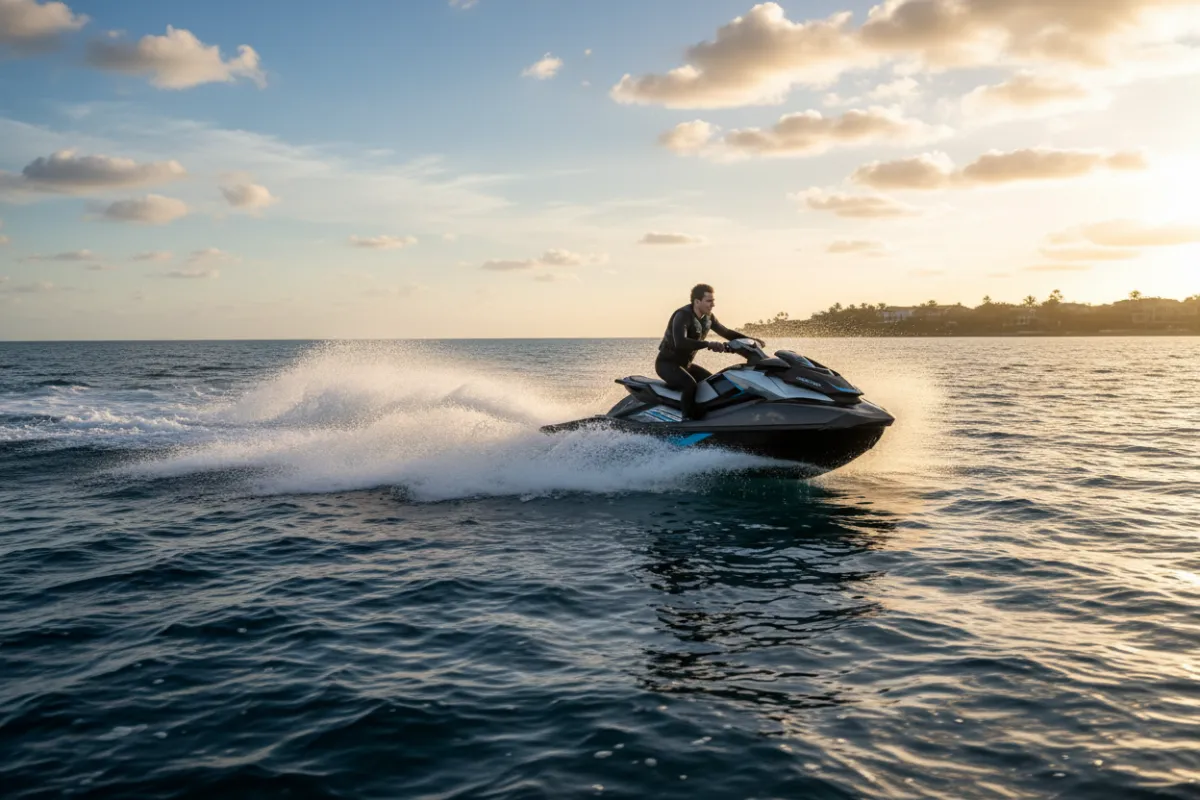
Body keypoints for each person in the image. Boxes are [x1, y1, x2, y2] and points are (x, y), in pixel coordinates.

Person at [655, 284, 765, 420]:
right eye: (709, 301)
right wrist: (708, 344)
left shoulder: (708, 318)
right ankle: (686, 420)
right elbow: (680, 342)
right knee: (690, 385)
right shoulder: (682, 315)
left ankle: (707, 415)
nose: (712, 305)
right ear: (697, 301)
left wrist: (750, 340)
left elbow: (726, 332)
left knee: (711, 383)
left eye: (713, 301)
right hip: (667, 364)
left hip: (686, 365)